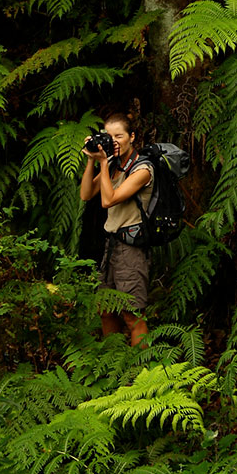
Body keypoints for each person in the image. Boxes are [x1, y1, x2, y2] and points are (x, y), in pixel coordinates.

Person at [78, 113, 153, 346]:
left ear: (132, 137)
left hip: (132, 247)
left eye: (119, 136)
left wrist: (102, 161)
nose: (114, 142)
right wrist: (92, 159)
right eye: (109, 136)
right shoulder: (112, 164)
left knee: (132, 315)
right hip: (110, 245)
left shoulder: (143, 169)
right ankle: (112, 363)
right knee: (106, 310)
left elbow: (108, 200)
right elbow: (86, 194)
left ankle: (140, 373)